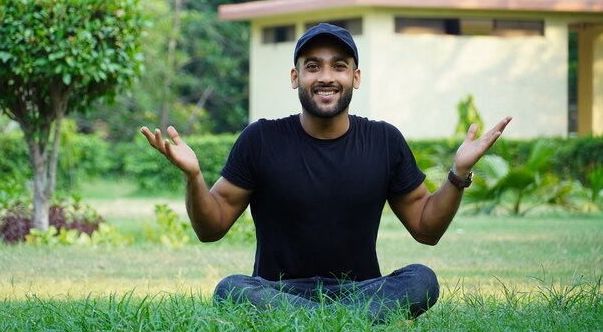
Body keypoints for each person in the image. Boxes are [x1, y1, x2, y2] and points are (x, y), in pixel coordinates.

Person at [141, 23, 511, 321]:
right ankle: (351, 321)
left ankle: (322, 319)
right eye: (313, 66)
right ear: (295, 76)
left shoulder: (384, 141)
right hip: (279, 290)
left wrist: (459, 173)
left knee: (422, 280)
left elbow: (427, 229)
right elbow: (211, 227)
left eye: (339, 66)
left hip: (362, 290)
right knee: (232, 289)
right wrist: (194, 177)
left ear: (356, 76)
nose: (326, 77)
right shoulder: (260, 139)